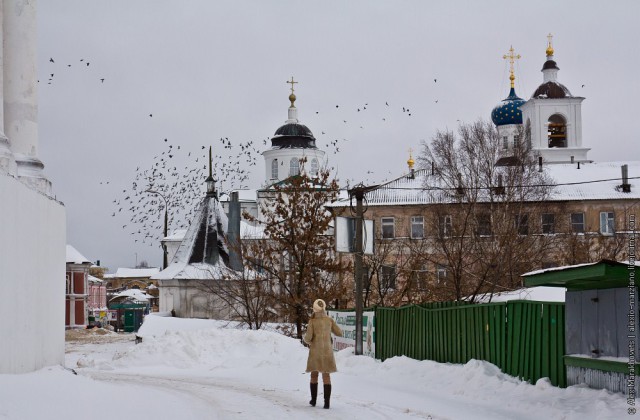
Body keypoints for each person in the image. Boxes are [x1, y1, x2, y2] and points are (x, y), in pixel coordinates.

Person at [303, 298, 342, 409]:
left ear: (314, 309)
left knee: (314, 375)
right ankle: (327, 403)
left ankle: (313, 400)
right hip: (327, 352)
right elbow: (339, 332)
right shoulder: (329, 320)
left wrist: (309, 341)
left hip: (315, 352)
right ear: (324, 308)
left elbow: (308, 338)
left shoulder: (312, 321)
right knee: (326, 376)